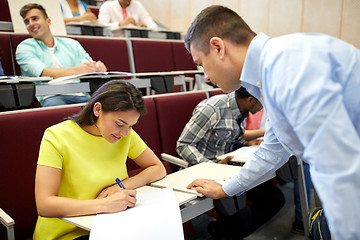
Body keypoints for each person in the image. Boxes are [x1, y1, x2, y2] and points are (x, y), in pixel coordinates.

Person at [185, 5, 360, 240]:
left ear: (218, 47)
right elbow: (272, 150)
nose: (205, 77)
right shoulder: (271, 72)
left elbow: (338, 167)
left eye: (200, 63)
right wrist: (225, 188)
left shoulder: (286, 67)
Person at [33, 80, 166, 239]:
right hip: (68, 233)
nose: (124, 133)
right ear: (97, 109)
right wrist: (104, 205)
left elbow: (158, 168)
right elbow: (44, 205)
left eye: (131, 126)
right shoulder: (56, 137)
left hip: (111, 224)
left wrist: (123, 186)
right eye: (119, 124)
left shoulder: (125, 135)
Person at [177, 87, 284, 239]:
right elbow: (183, 144)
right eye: (263, 102)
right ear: (251, 99)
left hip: (230, 169)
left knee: (275, 199)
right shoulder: (212, 109)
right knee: (242, 219)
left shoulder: (240, 110)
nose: (263, 108)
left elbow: (231, 137)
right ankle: (224, 231)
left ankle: (223, 230)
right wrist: (210, 166)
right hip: (207, 172)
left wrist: (248, 142)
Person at [16, 3, 107, 107]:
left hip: (79, 93)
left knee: (103, 108)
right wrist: (80, 70)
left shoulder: (72, 44)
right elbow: (44, 73)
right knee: (57, 107)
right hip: (49, 96)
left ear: (48, 21)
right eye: (26, 22)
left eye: (35, 18)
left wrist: (98, 67)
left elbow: (89, 66)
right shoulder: (24, 47)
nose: (30, 24)